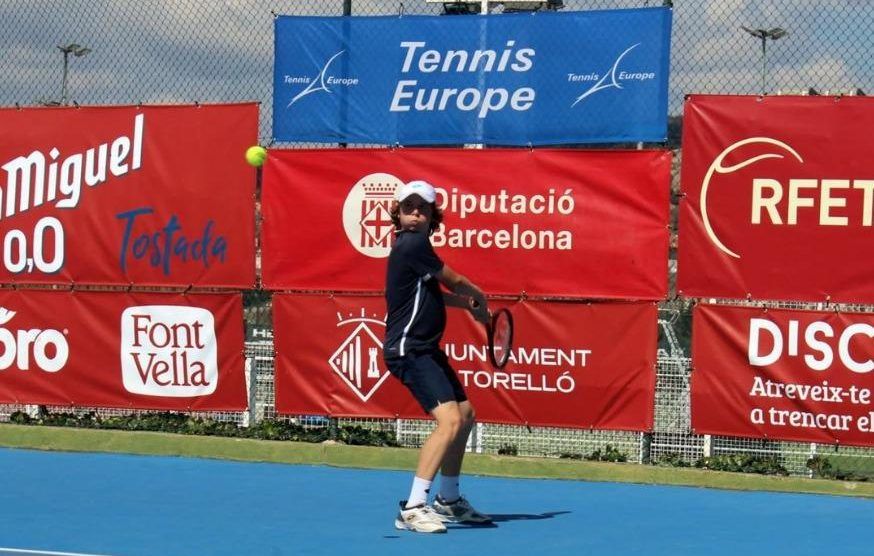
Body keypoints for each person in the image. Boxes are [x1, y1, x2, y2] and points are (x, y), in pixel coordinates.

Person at [383, 179, 493, 534]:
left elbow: (431, 293)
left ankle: (448, 499)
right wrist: (479, 296)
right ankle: (414, 507)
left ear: (433, 217)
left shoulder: (416, 250)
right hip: (408, 349)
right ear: (397, 215)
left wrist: (467, 306)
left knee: (465, 414)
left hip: (426, 347)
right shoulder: (412, 243)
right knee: (449, 421)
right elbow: (454, 279)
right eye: (408, 209)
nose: (415, 215)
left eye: (423, 209)